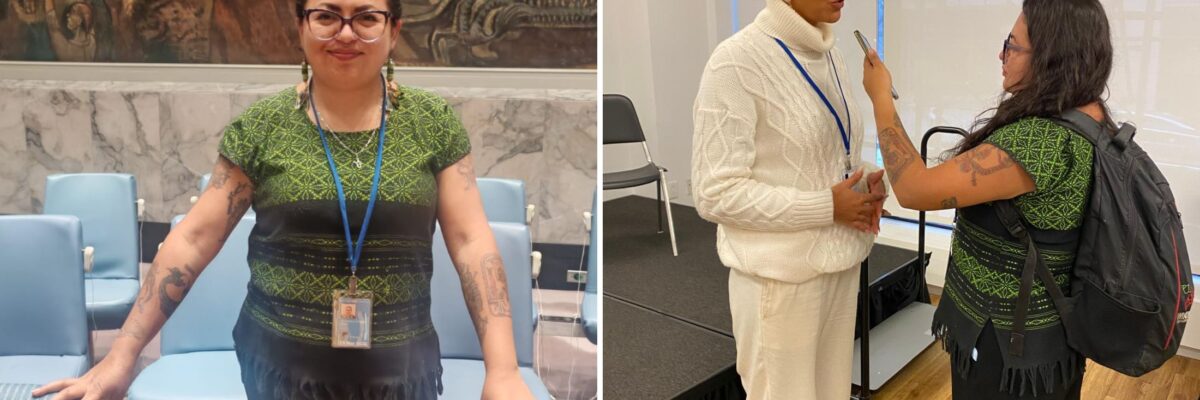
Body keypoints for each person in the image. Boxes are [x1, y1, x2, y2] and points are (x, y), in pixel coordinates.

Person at [33, 0, 535, 398]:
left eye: (366, 18)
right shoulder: (263, 127)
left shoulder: (432, 124)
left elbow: (472, 242)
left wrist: (505, 370)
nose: (344, 33)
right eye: (325, 17)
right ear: (301, 27)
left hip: (401, 372)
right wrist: (122, 355)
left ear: (394, 30)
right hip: (280, 371)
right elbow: (193, 239)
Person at [861, 0, 1114, 398]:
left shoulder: (1041, 141)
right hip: (1045, 340)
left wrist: (880, 98)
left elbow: (914, 189)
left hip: (1009, 349)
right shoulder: (1089, 114)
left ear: (1051, 56)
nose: (1002, 54)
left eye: (1012, 45)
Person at [691, 0, 887, 398]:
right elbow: (715, 193)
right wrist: (827, 206)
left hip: (840, 265)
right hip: (779, 283)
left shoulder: (830, 54)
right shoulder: (736, 62)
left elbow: (826, 155)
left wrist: (865, 180)